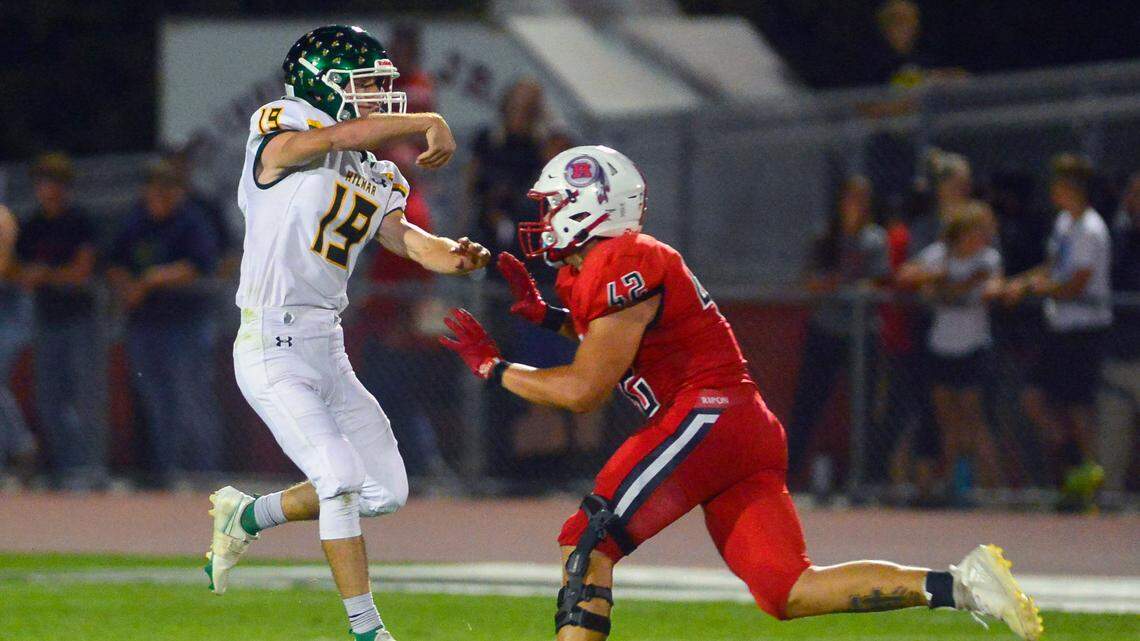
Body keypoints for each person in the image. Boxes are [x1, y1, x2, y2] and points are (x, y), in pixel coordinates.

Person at [440, 145, 1042, 641]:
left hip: (706, 417)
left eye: (554, 203)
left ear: (590, 205)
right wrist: (551, 318)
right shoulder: (608, 266)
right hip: (741, 427)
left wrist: (494, 368)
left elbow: (584, 389)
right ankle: (962, 585)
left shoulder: (624, 260)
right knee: (788, 589)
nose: (546, 217)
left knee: (587, 540)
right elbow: (620, 341)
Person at [202, 25, 489, 641]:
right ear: (323, 85)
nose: (380, 98)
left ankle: (247, 516)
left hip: (327, 346)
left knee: (384, 491)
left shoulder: (373, 170)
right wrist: (427, 119)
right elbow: (336, 136)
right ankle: (368, 630)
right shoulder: (283, 128)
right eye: (367, 86)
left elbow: (410, 240)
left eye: (382, 87)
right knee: (337, 477)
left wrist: (456, 255)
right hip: (271, 343)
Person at [1003, 153, 1112, 509]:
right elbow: (1053, 267)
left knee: (1078, 408)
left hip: (1083, 330)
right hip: (1059, 327)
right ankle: (1075, 468)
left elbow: (1076, 283)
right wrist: (1019, 283)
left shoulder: (1091, 228)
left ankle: (1090, 483)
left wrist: (1037, 289)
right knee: (1036, 399)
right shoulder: (1064, 223)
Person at [106, 160, 224, 484]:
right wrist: (127, 286)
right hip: (145, 325)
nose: (158, 196)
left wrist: (150, 280)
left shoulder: (191, 221)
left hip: (186, 324)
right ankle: (168, 473)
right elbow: (113, 262)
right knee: (157, 400)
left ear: (176, 192)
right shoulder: (136, 221)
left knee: (192, 397)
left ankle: (204, 474)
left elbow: (200, 265)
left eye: (166, 190)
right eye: (154, 189)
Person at [898, 201, 1005, 501]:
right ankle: (954, 484)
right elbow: (906, 275)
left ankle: (992, 488)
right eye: (976, 232)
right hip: (941, 346)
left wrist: (977, 285)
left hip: (974, 347)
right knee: (947, 420)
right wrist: (940, 278)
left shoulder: (987, 259)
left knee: (974, 418)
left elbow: (994, 287)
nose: (981, 238)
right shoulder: (940, 255)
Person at [786, 175, 888, 488]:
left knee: (865, 407)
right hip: (825, 329)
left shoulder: (874, 239)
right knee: (808, 402)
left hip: (862, 333)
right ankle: (789, 475)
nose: (857, 205)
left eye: (863, 199)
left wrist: (850, 286)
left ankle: (866, 479)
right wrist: (832, 283)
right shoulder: (825, 236)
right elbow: (810, 280)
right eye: (851, 198)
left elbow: (879, 281)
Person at [15, 153, 106, 489]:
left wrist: (45, 275)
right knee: (49, 399)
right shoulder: (33, 224)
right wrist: (32, 275)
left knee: (86, 397)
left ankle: (93, 468)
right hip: (46, 320)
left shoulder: (80, 221)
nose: (47, 189)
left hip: (81, 319)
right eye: (42, 182)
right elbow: (17, 270)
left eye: (54, 182)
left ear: (65, 187)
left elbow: (81, 272)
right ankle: (65, 468)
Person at [0, 203, 37, 482]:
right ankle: (13, 450)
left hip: (11, 308)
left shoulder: (3, 218)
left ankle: (21, 444)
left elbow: (5, 264)